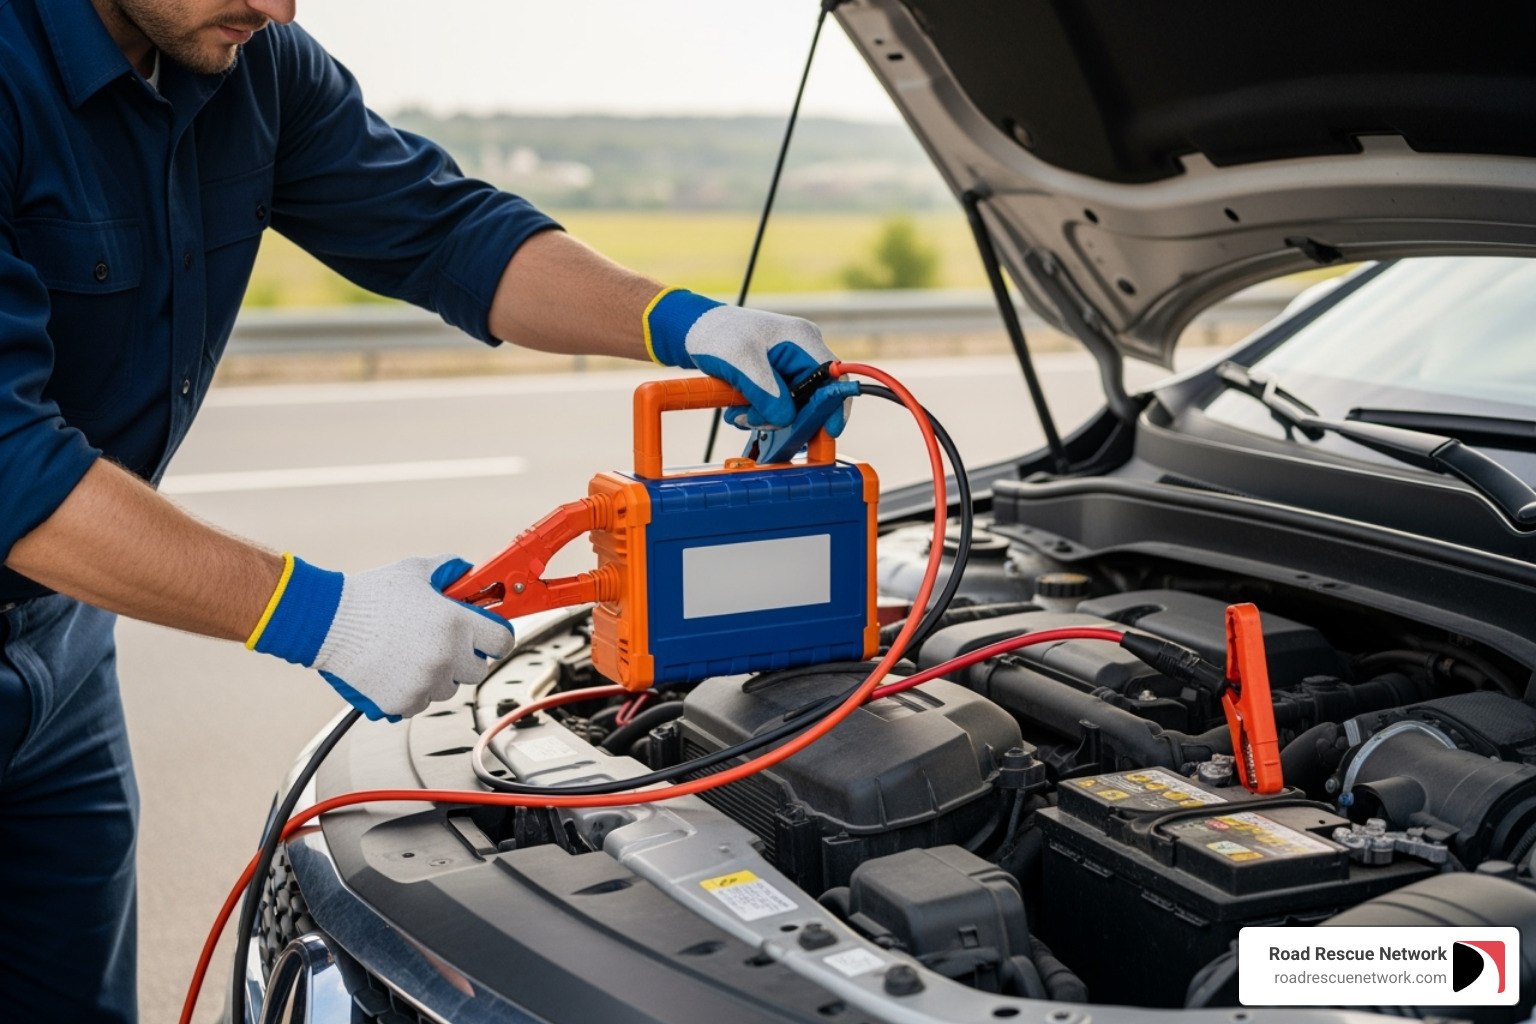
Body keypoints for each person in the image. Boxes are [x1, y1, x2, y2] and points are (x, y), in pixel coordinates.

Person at [0, 1, 848, 1019]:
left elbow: (443, 231)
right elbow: (11, 468)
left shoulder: (251, 63)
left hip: (62, 647)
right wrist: (330, 617)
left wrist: (685, 321)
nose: (279, 7)